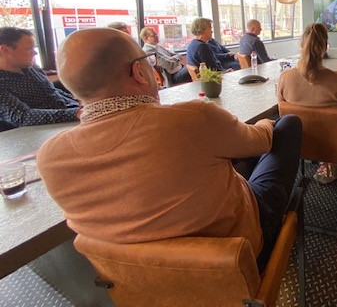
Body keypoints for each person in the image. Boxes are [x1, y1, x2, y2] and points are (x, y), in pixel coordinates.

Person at [36, 28, 302, 272]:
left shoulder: (50, 158)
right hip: (235, 258)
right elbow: (260, 142)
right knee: (287, 125)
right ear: (139, 72)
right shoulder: (193, 117)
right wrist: (267, 123)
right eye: (148, 61)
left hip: (140, 282)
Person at [277, 23, 337, 184]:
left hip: (299, 144)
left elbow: (283, 115)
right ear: (325, 47)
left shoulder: (284, 78)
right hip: (334, 146)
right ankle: (334, 163)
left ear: (301, 44)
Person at [0, 26, 81, 129]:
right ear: (6, 50)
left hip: (69, 115)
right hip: (40, 129)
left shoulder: (31, 66)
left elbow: (52, 91)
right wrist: (76, 113)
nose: (35, 53)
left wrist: (79, 101)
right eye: (28, 49)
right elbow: (23, 117)